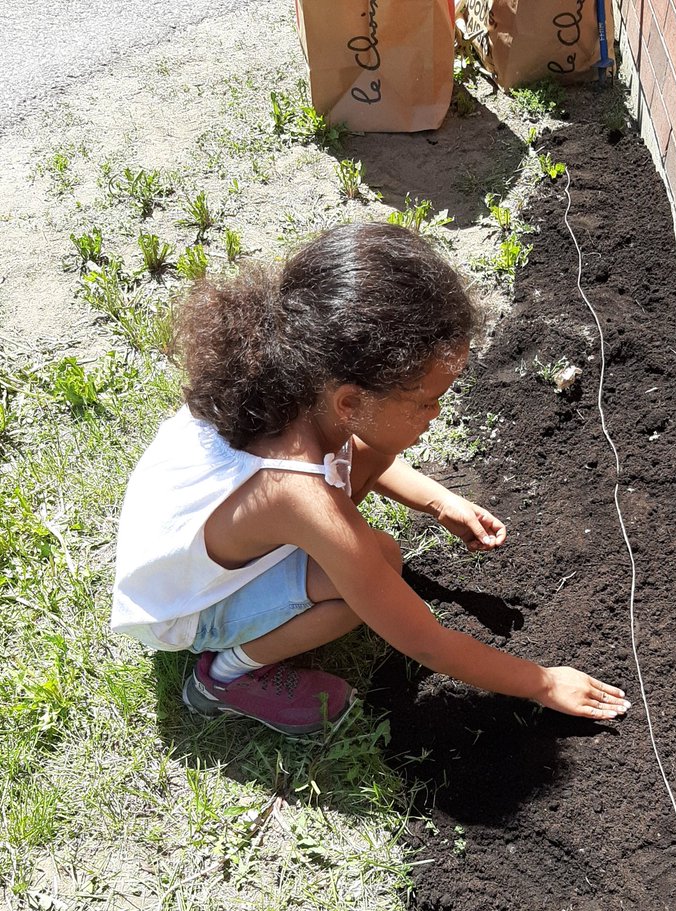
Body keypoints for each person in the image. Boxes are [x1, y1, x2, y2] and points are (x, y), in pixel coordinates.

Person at [112, 223, 630, 736]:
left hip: (184, 554)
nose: (436, 412)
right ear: (350, 401)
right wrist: (541, 682)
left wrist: (438, 502)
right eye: (426, 401)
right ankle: (224, 677)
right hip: (182, 608)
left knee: (368, 547)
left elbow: (357, 448)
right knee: (371, 567)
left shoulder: (294, 379)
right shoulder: (296, 494)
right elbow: (423, 639)